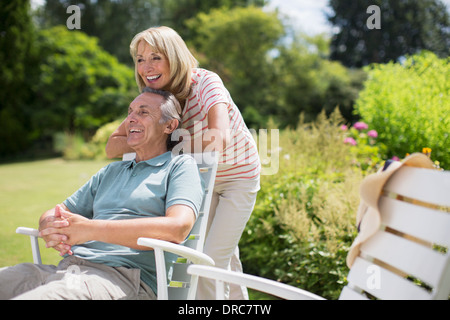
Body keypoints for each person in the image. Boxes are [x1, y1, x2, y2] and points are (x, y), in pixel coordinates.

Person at [0, 88, 204, 300]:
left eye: (143, 112)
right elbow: (57, 212)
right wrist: (50, 226)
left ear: (169, 126)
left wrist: (90, 230)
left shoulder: (179, 166)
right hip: (67, 270)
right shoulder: (111, 171)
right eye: (130, 112)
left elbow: (178, 228)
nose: (131, 119)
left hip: (122, 279)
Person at [105, 26, 261, 300]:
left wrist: (161, 141)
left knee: (206, 263)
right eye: (140, 59)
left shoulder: (206, 83)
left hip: (239, 177)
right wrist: (154, 137)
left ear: (174, 56)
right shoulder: (157, 98)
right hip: (204, 179)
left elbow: (218, 139)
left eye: (155, 57)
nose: (146, 67)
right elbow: (112, 146)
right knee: (222, 259)